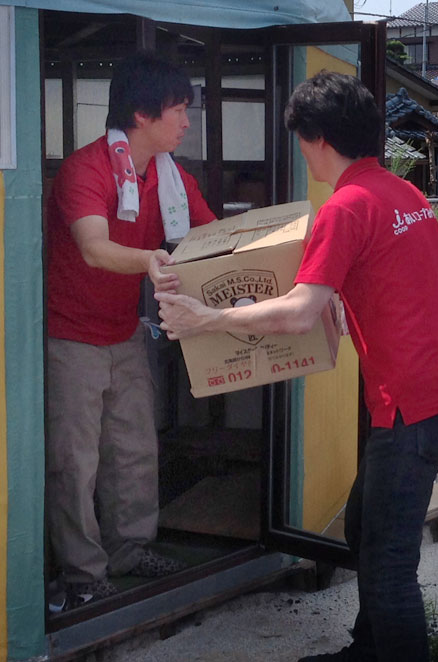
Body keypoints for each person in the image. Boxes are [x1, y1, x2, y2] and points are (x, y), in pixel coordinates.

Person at [155, 71, 438, 662]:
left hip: (410, 405)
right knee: (363, 531)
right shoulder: (407, 196)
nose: (301, 152)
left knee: (388, 565)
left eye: (301, 139)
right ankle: (365, 649)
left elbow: (300, 314)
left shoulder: (345, 208)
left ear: (318, 137)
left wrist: (206, 320)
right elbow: (429, 283)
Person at [45, 51, 215, 610]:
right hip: (69, 336)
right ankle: (82, 572)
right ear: (143, 114)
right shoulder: (86, 169)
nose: (187, 122)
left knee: (134, 450)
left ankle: (130, 551)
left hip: (124, 331)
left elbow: (214, 234)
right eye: (179, 110)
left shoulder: (170, 176)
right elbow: (94, 248)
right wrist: (151, 260)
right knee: (75, 461)